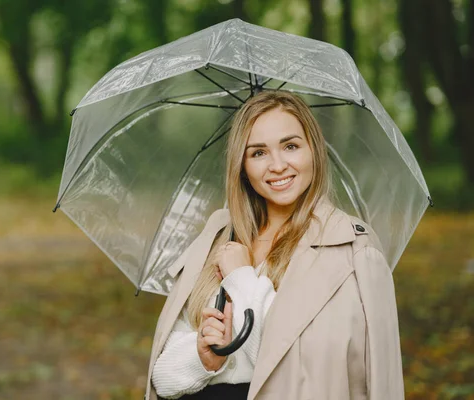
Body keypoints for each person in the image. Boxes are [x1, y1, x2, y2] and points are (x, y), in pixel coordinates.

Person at [144, 91, 404, 400]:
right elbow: (163, 378)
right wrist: (205, 357)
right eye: (258, 153)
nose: (277, 165)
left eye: (290, 146)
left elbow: (293, 362)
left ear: (314, 151)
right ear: (241, 166)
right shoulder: (219, 238)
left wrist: (241, 280)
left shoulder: (351, 251)